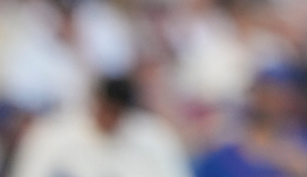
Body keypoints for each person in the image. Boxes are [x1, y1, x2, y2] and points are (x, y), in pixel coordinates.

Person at [7, 74, 193, 177]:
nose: (110, 118)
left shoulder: (154, 137)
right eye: (106, 109)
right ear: (95, 104)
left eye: (117, 112)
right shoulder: (52, 135)